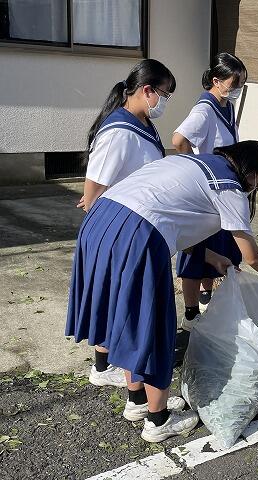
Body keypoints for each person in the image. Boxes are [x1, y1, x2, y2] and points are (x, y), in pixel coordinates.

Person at [66, 140, 258, 442]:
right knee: (152, 324)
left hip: (101, 220)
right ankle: (158, 420)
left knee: (125, 315)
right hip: (137, 234)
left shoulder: (194, 163)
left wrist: (211, 257)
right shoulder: (229, 187)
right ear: (253, 174)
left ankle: (137, 401)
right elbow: (250, 255)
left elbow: (174, 215)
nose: (256, 187)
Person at [77, 59, 176, 389]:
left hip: (130, 224)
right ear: (147, 90)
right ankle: (116, 375)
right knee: (119, 302)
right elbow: (93, 189)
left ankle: (105, 366)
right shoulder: (119, 131)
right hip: (118, 231)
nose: (165, 101)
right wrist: (101, 231)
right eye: (165, 94)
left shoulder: (143, 122)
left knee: (113, 300)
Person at [172, 53, 247, 330]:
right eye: (234, 83)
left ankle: (206, 297)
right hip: (205, 191)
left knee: (217, 246)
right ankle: (191, 314)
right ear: (216, 81)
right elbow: (179, 139)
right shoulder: (204, 110)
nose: (238, 88)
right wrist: (194, 168)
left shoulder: (227, 106)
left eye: (242, 83)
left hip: (223, 190)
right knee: (197, 250)